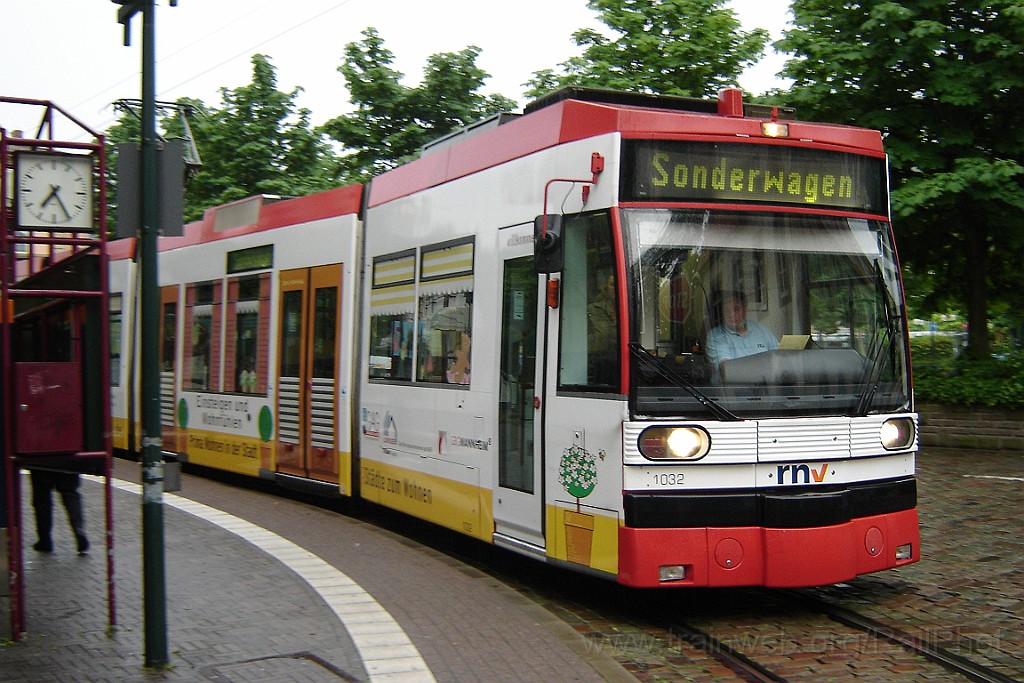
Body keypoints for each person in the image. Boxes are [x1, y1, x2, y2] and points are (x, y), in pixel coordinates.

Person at [706, 292, 778, 379]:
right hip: (734, 387)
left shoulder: (759, 329)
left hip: (766, 384)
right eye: (727, 310)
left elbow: (778, 357)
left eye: (736, 309)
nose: (732, 314)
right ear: (722, 313)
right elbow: (728, 369)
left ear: (744, 310)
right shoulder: (716, 336)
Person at [30, 468, 89, 554]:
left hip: (40, 463)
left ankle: (44, 540)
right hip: (67, 462)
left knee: (42, 499)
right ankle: (79, 531)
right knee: (70, 493)